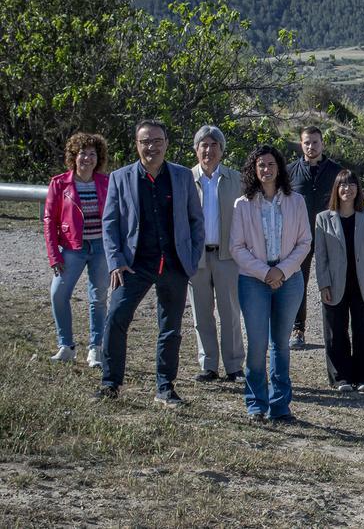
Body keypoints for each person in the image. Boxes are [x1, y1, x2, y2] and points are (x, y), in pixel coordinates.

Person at [96, 120, 204, 407]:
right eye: (145, 141)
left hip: (174, 264)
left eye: (157, 140)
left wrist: (191, 260)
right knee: (116, 318)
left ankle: (165, 388)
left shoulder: (181, 177)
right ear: (137, 144)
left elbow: (196, 220)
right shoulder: (120, 178)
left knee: (170, 329)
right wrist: (115, 261)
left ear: (166, 143)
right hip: (133, 265)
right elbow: (109, 224)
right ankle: (110, 383)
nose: (151, 146)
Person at [230, 145, 312, 423]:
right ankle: (256, 403)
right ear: (254, 170)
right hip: (253, 280)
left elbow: (304, 242)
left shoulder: (296, 201)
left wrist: (283, 271)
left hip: (289, 280)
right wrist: (266, 272)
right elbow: (237, 247)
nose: (266, 169)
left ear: (279, 168)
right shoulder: (243, 204)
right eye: (261, 165)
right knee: (256, 344)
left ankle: (280, 406)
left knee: (281, 344)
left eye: (271, 164)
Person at [44, 132, 110, 367]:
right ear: (74, 155)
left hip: (101, 247)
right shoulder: (60, 183)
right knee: (58, 294)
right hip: (72, 248)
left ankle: (96, 349)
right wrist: (54, 254)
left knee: (98, 298)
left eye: (92, 154)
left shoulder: (106, 182)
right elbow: (49, 220)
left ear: (98, 157)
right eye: (83, 153)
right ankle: (66, 346)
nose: (87, 158)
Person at [314, 169, 364, 392]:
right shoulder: (323, 219)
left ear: (358, 190)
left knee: (363, 331)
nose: (347, 189)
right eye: (342, 185)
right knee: (335, 331)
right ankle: (340, 377)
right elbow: (320, 255)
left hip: (362, 282)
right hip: (334, 283)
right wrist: (323, 284)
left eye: (352, 185)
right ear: (336, 189)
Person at [189, 126, 245, 383]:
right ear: (196, 148)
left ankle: (234, 366)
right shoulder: (186, 179)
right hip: (197, 257)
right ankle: (208, 364)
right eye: (204, 145)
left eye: (214, 145)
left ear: (222, 150)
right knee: (201, 313)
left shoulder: (237, 179)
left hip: (227, 256)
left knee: (230, 313)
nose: (208, 150)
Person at [286, 126, 342, 349]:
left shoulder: (337, 171)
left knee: (334, 283)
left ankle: (337, 331)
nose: (311, 147)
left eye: (315, 142)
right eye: (307, 142)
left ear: (322, 144)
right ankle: (298, 328)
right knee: (299, 283)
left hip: (331, 235)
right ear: (301, 144)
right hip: (300, 236)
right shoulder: (289, 171)